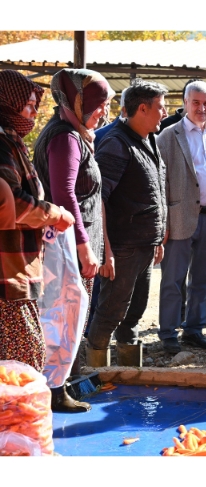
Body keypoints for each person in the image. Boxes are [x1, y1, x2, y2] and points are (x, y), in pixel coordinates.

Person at [33, 68, 114, 412]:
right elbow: (65, 193)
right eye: (99, 104)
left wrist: (103, 246)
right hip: (62, 247)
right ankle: (53, 391)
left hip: (76, 242)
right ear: (79, 101)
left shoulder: (78, 134)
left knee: (71, 316)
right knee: (60, 317)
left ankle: (63, 383)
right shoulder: (65, 137)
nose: (104, 112)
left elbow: (92, 198)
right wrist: (84, 245)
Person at [86, 79, 168, 366]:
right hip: (123, 247)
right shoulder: (116, 144)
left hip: (144, 245)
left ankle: (129, 370)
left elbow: (155, 188)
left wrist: (158, 238)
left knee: (134, 311)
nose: (165, 113)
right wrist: (105, 250)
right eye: (161, 107)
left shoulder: (149, 138)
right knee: (111, 310)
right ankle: (95, 371)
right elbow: (98, 200)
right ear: (142, 108)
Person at [0, 70, 75, 372]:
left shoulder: (12, 140)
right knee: (23, 363)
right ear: (8, 103)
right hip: (8, 274)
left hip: (19, 268)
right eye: (28, 106)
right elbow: (13, 203)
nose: (32, 114)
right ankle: (15, 419)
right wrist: (54, 214)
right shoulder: (2, 144)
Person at [156, 81, 206, 354]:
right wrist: (163, 223)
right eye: (196, 102)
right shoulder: (168, 135)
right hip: (179, 218)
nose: (202, 108)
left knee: (202, 279)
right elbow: (160, 182)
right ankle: (168, 333)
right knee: (173, 279)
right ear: (185, 102)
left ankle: (194, 330)